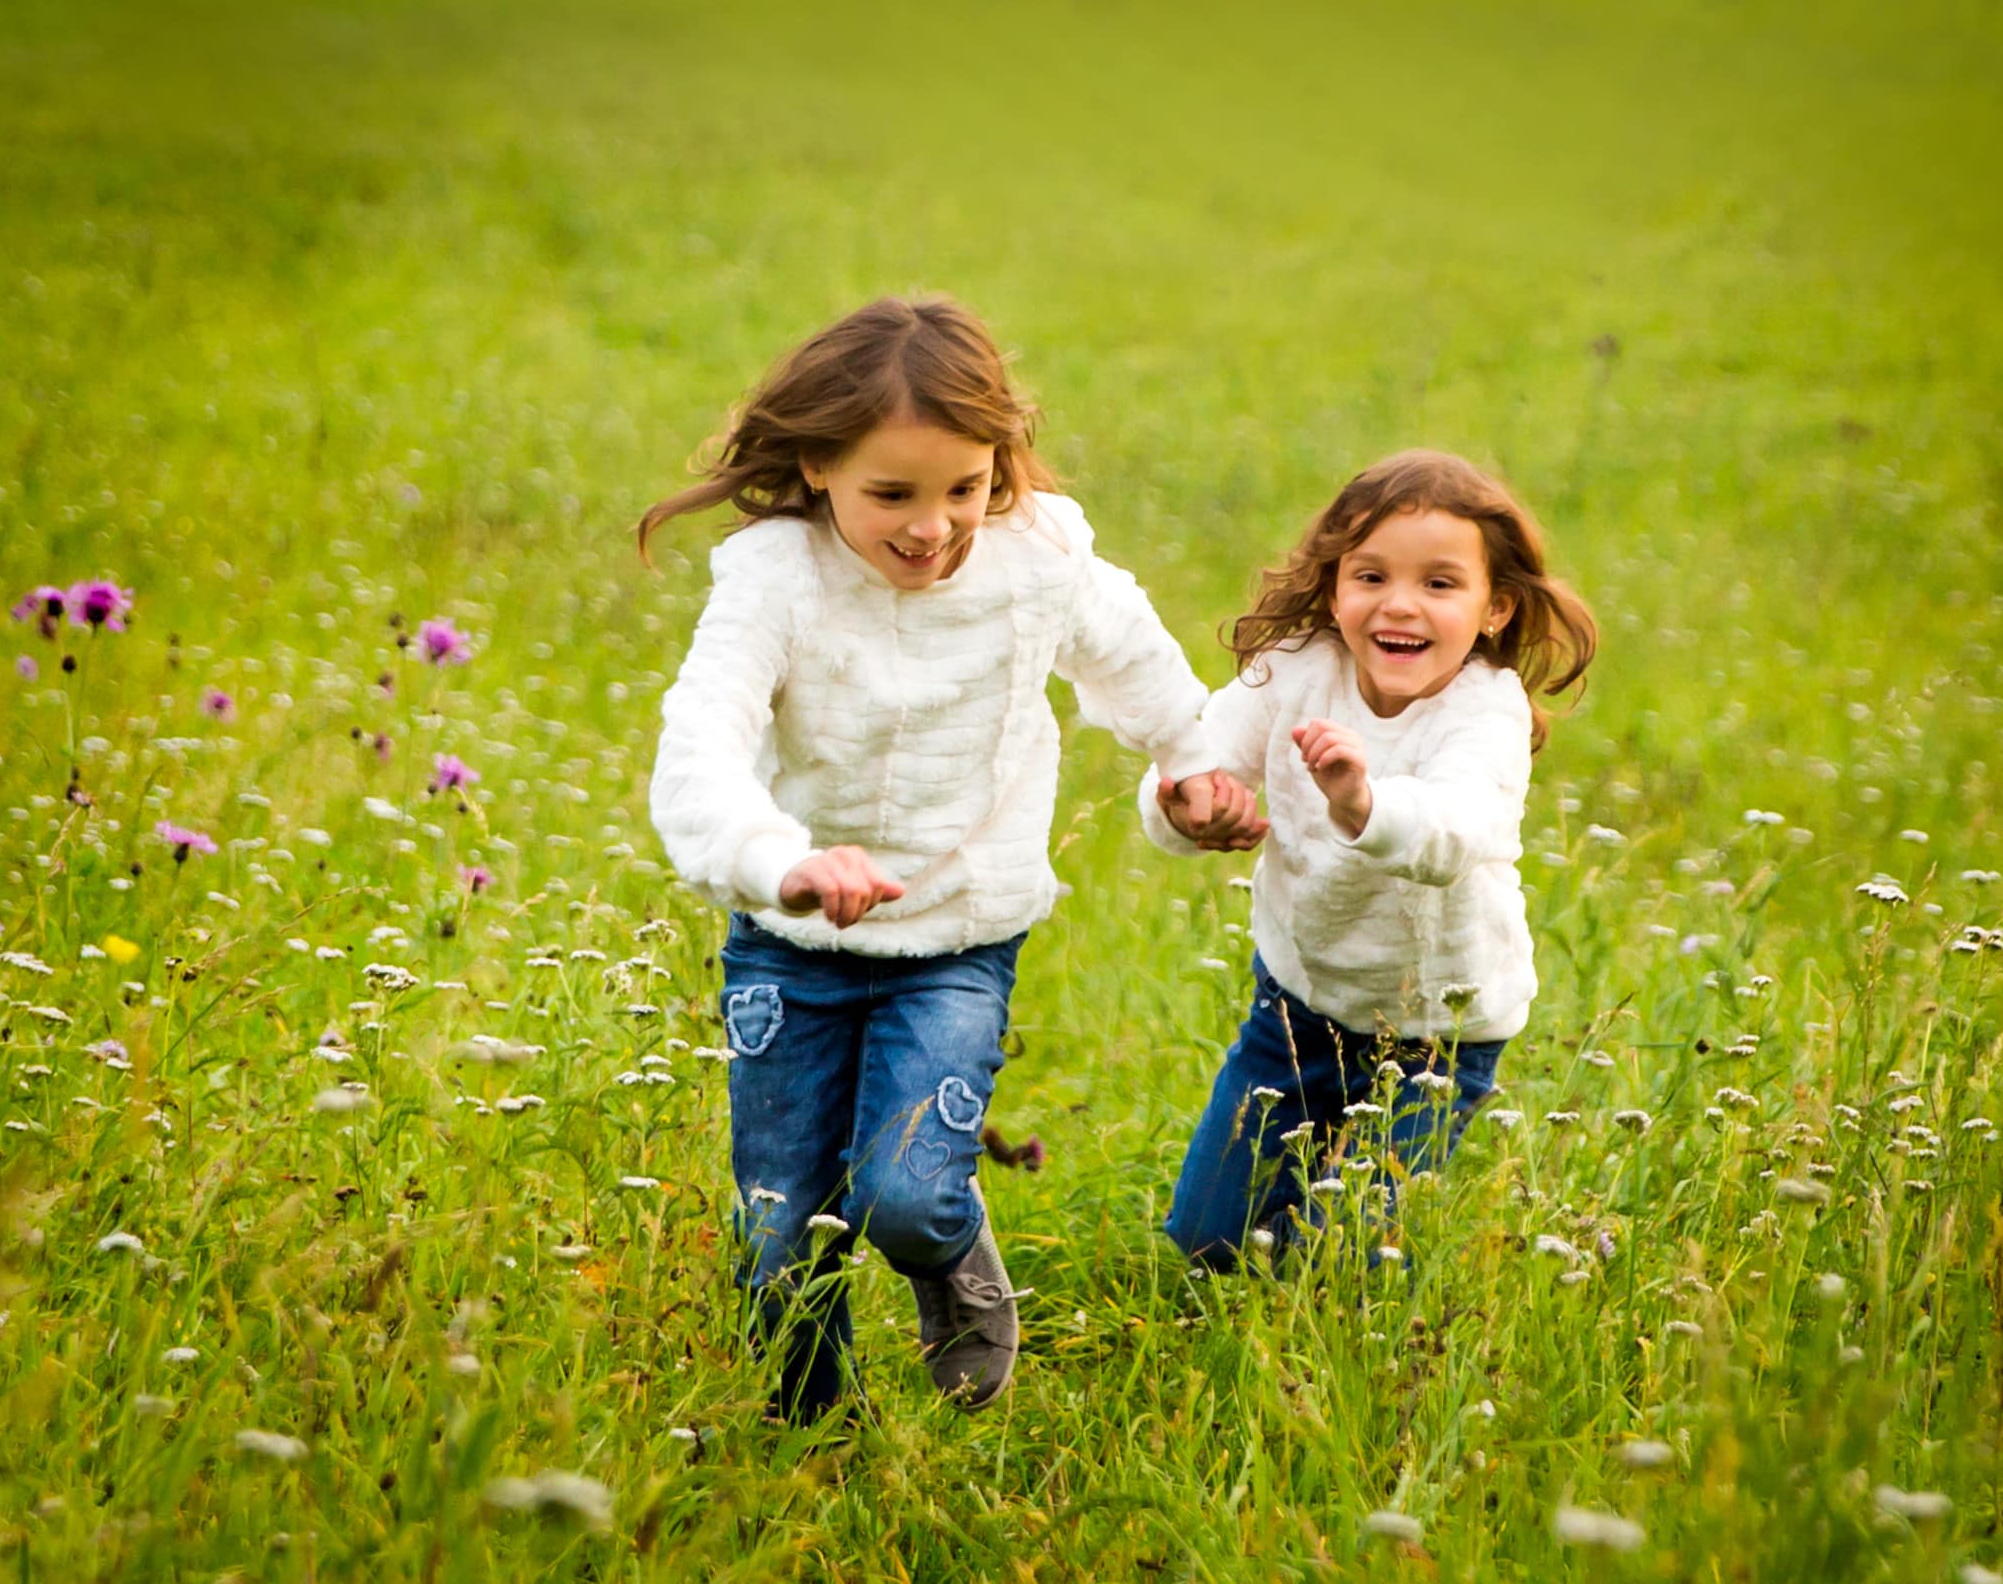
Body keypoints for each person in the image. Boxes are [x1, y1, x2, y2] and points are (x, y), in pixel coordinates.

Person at [643, 296, 1258, 1423]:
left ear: (997, 464)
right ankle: (810, 1434)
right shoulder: (772, 577)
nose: (934, 526)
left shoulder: (1035, 553)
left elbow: (1135, 658)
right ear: (820, 465)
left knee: (905, 1194)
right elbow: (700, 744)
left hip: (956, 941)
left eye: (963, 488)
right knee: (782, 1219)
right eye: (893, 494)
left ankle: (951, 1249)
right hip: (793, 947)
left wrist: (1194, 758)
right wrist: (778, 859)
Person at [1140, 449, 1595, 1268]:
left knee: (1345, 1256)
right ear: (1333, 584)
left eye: (1440, 584)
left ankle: (1338, 1355)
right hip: (1299, 1004)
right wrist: (1189, 801)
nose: (1400, 605)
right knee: (1209, 1237)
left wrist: (1362, 802)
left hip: (1437, 1033)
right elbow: (1196, 753)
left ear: (1495, 609)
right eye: (1371, 575)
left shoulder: (1485, 708)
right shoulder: (1297, 669)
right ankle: (1251, 1289)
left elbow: (1458, 831)